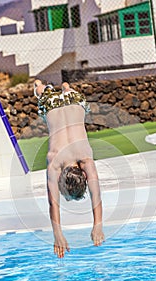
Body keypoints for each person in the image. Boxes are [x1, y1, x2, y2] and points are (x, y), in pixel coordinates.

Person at [34, 79, 105, 258]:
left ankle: (66, 88)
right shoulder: (54, 162)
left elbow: (96, 195)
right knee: (41, 92)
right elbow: (53, 203)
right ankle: (40, 86)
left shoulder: (86, 160)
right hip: (52, 106)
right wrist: (57, 234)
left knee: (68, 94)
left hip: (75, 102)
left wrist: (98, 225)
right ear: (61, 180)